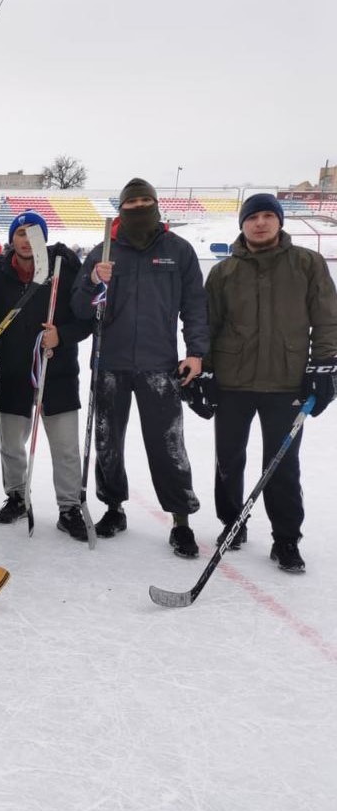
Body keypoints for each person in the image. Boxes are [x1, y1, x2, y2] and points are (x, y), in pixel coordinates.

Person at [70, 178, 208, 557]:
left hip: (158, 364)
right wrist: (96, 279)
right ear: (121, 209)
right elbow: (79, 308)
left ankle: (181, 520)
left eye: (146, 201)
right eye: (132, 203)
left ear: (156, 205)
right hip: (110, 363)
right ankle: (113, 507)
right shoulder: (104, 251)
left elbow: (195, 305)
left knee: (167, 444)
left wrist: (196, 351)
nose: (139, 208)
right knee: (107, 441)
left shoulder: (178, 251)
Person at [202, 193, 337, 573]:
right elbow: (207, 328)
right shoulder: (224, 272)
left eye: (267, 216)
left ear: (279, 221)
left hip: (286, 383)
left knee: (282, 465)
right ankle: (233, 523)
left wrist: (324, 365)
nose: (260, 223)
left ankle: (286, 539)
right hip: (234, 383)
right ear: (242, 224)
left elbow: (327, 318)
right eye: (252, 217)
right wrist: (207, 372)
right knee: (228, 459)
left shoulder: (306, 264)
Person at [0, 211, 91, 537]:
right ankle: (17, 496)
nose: (26, 240)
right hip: (14, 371)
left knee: (64, 446)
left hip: (57, 370)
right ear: (12, 239)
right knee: (11, 445)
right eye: (21, 233)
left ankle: (69, 506)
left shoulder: (65, 269)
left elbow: (87, 319)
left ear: (43, 238)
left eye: (34, 233)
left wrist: (62, 334)